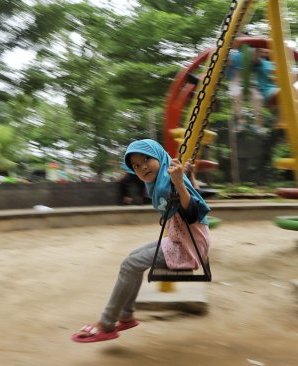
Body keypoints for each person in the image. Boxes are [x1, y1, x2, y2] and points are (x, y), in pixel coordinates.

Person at [71, 139, 211, 343]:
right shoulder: (164, 179)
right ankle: (126, 316)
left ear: (158, 156)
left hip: (190, 247)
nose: (142, 167)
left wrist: (180, 182)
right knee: (132, 258)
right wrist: (184, 177)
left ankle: (106, 323)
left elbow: (192, 213)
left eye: (146, 159)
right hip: (179, 239)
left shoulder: (170, 181)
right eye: (136, 165)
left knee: (130, 265)